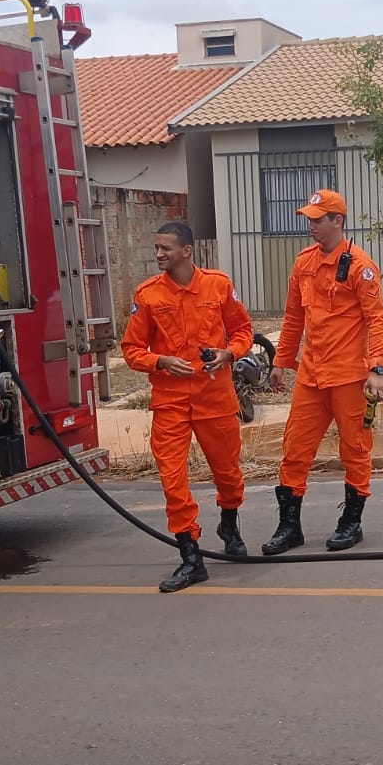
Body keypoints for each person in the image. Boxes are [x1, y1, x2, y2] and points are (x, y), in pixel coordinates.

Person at [121, 222, 254, 592]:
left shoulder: (218, 285)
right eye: (157, 247)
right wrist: (160, 361)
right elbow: (131, 349)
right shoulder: (147, 295)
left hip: (215, 397)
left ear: (187, 251)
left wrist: (230, 353)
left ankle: (229, 521)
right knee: (172, 479)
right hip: (171, 402)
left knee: (228, 474)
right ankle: (190, 556)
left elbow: (243, 330)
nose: (159, 254)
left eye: (165, 248)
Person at [262, 190, 383, 554]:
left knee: (355, 449)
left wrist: (378, 367)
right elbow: (293, 318)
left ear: (338, 221)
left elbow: (376, 320)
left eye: (318, 219)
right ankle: (289, 528)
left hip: (349, 377)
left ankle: (351, 522)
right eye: (309, 219)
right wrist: (281, 362)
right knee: (295, 449)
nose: (311, 226)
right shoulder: (303, 263)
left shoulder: (360, 266)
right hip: (311, 375)